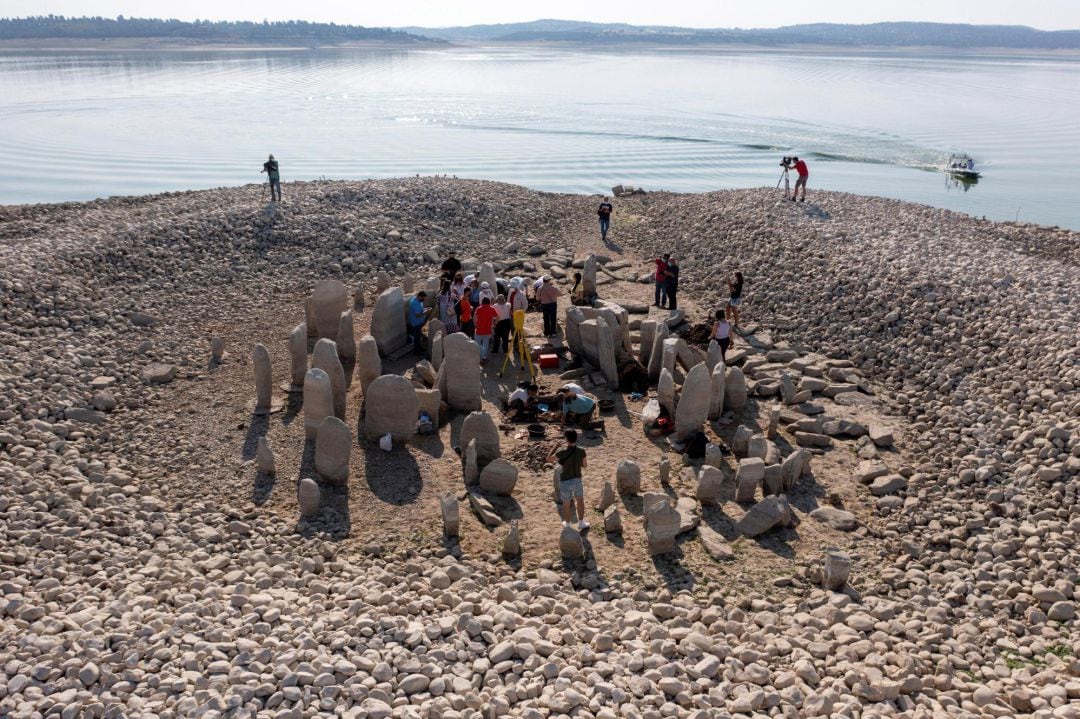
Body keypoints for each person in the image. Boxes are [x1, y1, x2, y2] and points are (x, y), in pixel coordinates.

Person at [547, 429, 589, 530]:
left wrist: (556, 446)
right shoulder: (581, 451)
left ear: (566, 439)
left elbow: (548, 459)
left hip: (565, 481)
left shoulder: (562, 452)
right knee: (580, 501)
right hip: (577, 480)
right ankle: (581, 522)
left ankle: (568, 524)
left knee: (566, 503)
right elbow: (585, 465)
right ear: (576, 438)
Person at [473, 297, 498, 362]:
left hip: (479, 329)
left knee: (478, 344)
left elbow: (474, 318)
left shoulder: (478, 308)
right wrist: (494, 325)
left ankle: (481, 357)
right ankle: (484, 357)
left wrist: (475, 325)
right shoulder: (492, 309)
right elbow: (498, 317)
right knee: (486, 344)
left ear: (482, 302)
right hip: (488, 330)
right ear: (489, 302)